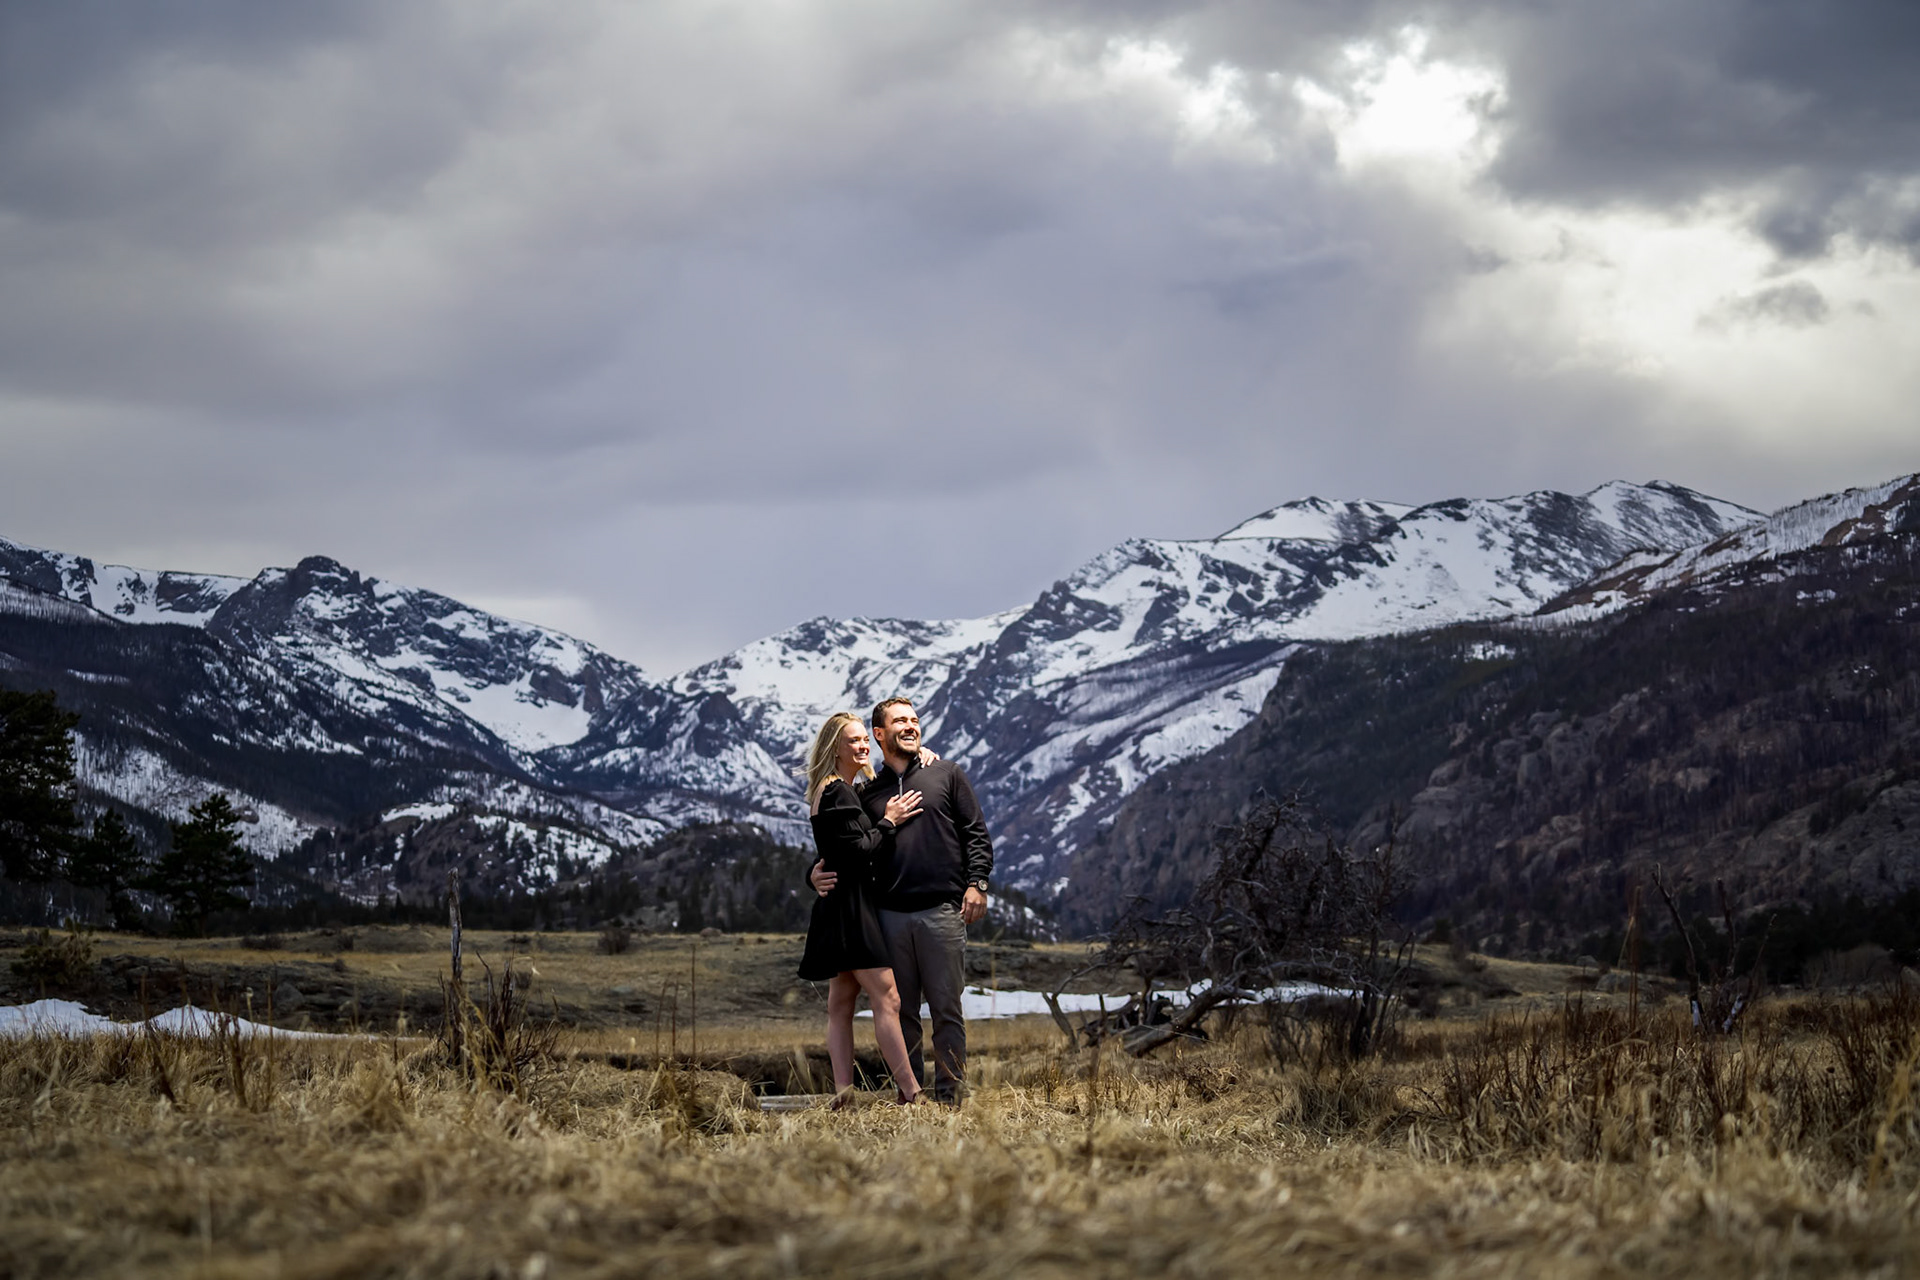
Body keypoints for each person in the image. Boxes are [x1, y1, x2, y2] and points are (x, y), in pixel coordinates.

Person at [811, 697, 992, 1105]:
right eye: (900, 721)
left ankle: (951, 1098)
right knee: (900, 1011)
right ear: (880, 733)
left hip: (942, 910)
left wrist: (977, 883)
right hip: (887, 915)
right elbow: (843, 845)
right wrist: (812, 874)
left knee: (947, 1010)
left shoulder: (946, 773)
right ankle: (911, 1098)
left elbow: (976, 833)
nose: (911, 726)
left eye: (914, 719)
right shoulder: (865, 791)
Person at [795, 711, 928, 1106]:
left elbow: (831, 853)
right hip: (852, 910)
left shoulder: (832, 789)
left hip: (837, 907)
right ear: (834, 748)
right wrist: (889, 821)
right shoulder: (838, 792)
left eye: (864, 739)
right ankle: (912, 1092)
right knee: (888, 998)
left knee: (840, 1005)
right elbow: (856, 852)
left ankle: (843, 1094)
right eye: (852, 740)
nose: (863, 745)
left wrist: (812, 875)